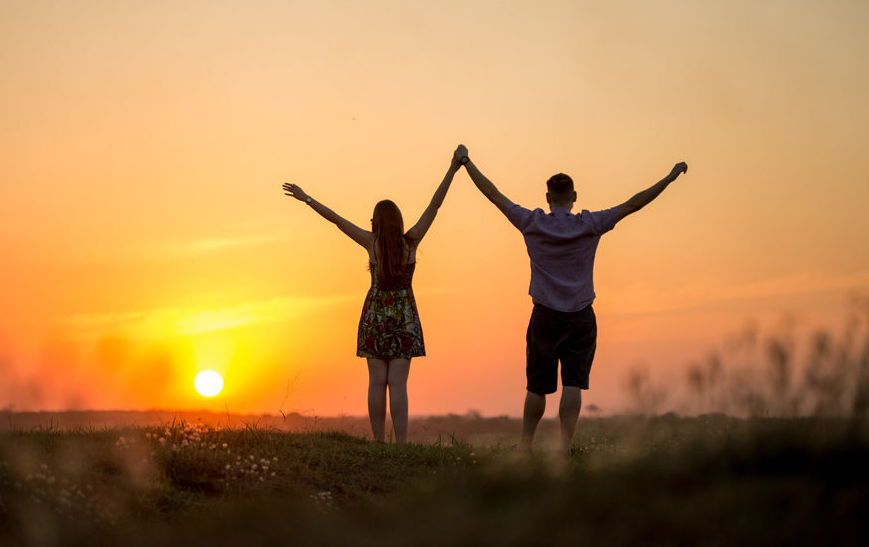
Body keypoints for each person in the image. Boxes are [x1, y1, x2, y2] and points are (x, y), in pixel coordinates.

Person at [458, 145, 688, 453]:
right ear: (574, 197)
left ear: (548, 198)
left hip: (544, 316)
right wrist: (670, 177)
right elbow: (634, 204)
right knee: (573, 383)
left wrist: (466, 162)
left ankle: (526, 446)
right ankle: (565, 448)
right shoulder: (590, 224)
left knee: (537, 386)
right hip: (580, 316)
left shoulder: (532, 223)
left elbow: (494, 195)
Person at [282, 146, 466, 443]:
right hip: (404, 317)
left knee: (376, 382)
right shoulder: (412, 242)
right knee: (398, 385)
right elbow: (435, 205)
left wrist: (307, 199)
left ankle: (379, 442)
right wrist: (452, 169)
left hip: (375, 317)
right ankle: (402, 444)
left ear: (376, 222)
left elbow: (337, 220)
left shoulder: (372, 244)